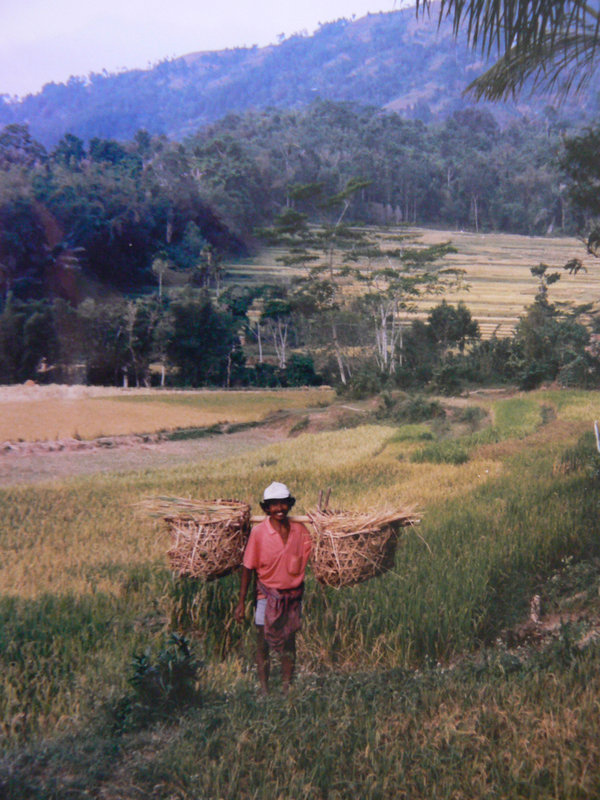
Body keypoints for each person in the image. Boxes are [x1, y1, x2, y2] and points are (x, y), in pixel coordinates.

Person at [234, 481, 312, 695]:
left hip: (292, 597)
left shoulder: (300, 531)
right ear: (266, 508)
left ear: (290, 505)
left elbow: (316, 553)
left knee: (289, 641)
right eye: (274, 505)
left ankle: (287, 687)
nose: (279, 509)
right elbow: (248, 568)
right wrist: (241, 602)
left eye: (283, 504)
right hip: (266, 597)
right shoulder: (259, 533)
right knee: (263, 642)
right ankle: (265, 690)